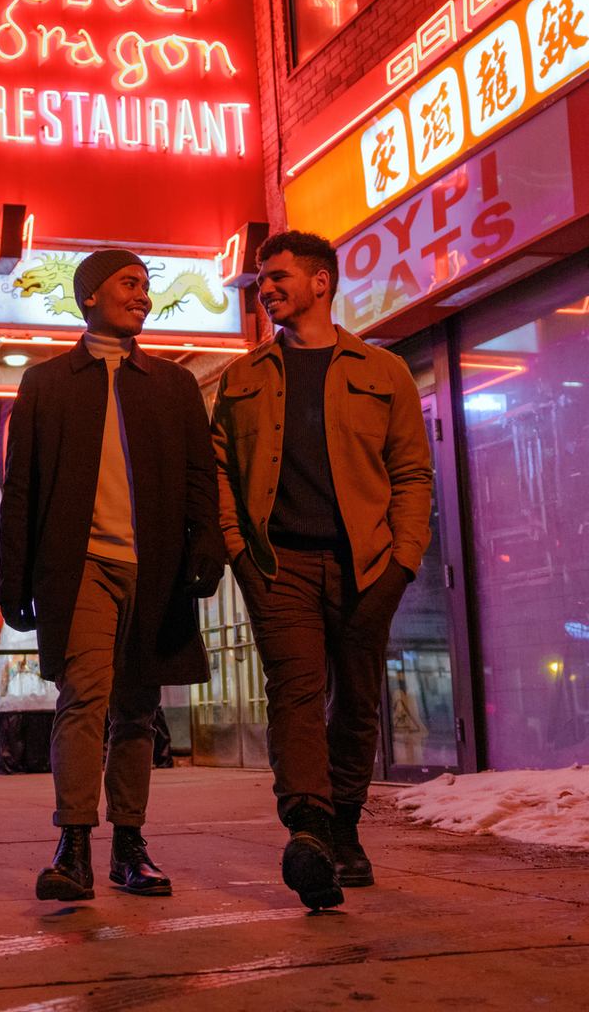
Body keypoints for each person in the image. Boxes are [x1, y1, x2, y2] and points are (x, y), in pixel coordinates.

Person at [211, 230, 432, 911]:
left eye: (278, 277)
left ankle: (345, 825)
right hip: (279, 564)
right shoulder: (244, 378)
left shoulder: (382, 370)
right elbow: (220, 472)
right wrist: (238, 552)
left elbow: (412, 474)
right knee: (296, 695)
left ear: (320, 283)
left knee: (357, 700)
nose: (266, 289)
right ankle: (309, 830)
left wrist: (403, 559)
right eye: (261, 281)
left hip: (366, 563)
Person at [0, 248, 225, 901]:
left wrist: (205, 546)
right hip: (81, 568)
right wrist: (15, 580)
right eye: (130, 284)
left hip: (154, 570)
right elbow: (22, 490)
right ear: (90, 295)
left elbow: (197, 480)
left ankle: (131, 846)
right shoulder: (45, 384)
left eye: (146, 287)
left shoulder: (174, 385)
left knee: (137, 710)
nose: (144, 297)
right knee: (84, 701)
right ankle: (73, 846)